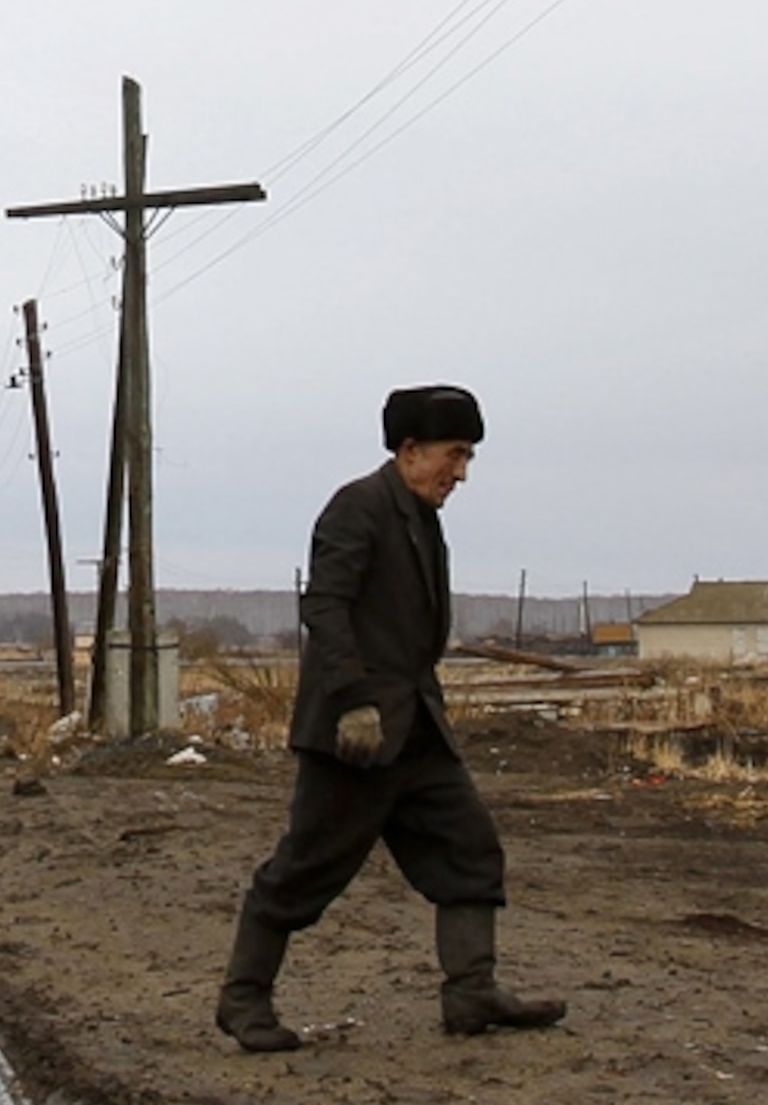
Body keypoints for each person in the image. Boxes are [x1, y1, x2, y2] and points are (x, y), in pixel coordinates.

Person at [215, 385, 566, 1053]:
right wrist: (352, 702)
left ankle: (471, 992)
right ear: (410, 451)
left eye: (467, 458)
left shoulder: (419, 516)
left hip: (416, 731)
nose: (460, 473)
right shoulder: (359, 508)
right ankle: (243, 1000)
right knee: (304, 871)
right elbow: (325, 608)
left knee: (469, 848)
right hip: (358, 737)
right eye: (453, 455)